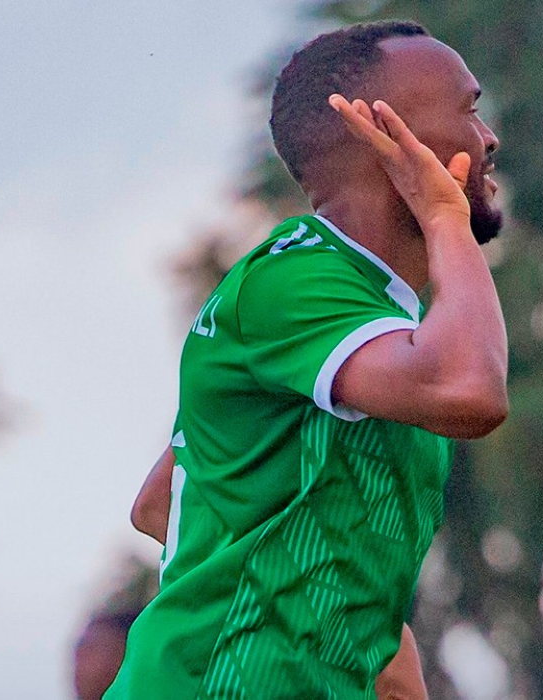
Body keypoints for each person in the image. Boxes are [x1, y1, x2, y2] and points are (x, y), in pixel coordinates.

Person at [104, 19, 507, 699]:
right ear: (384, 137)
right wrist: (444, 219)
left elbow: (161, 502)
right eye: (468, 109)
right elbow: (472, 390)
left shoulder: (371, 316)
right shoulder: (293, 284)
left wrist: (354, 621)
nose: (488, 137)